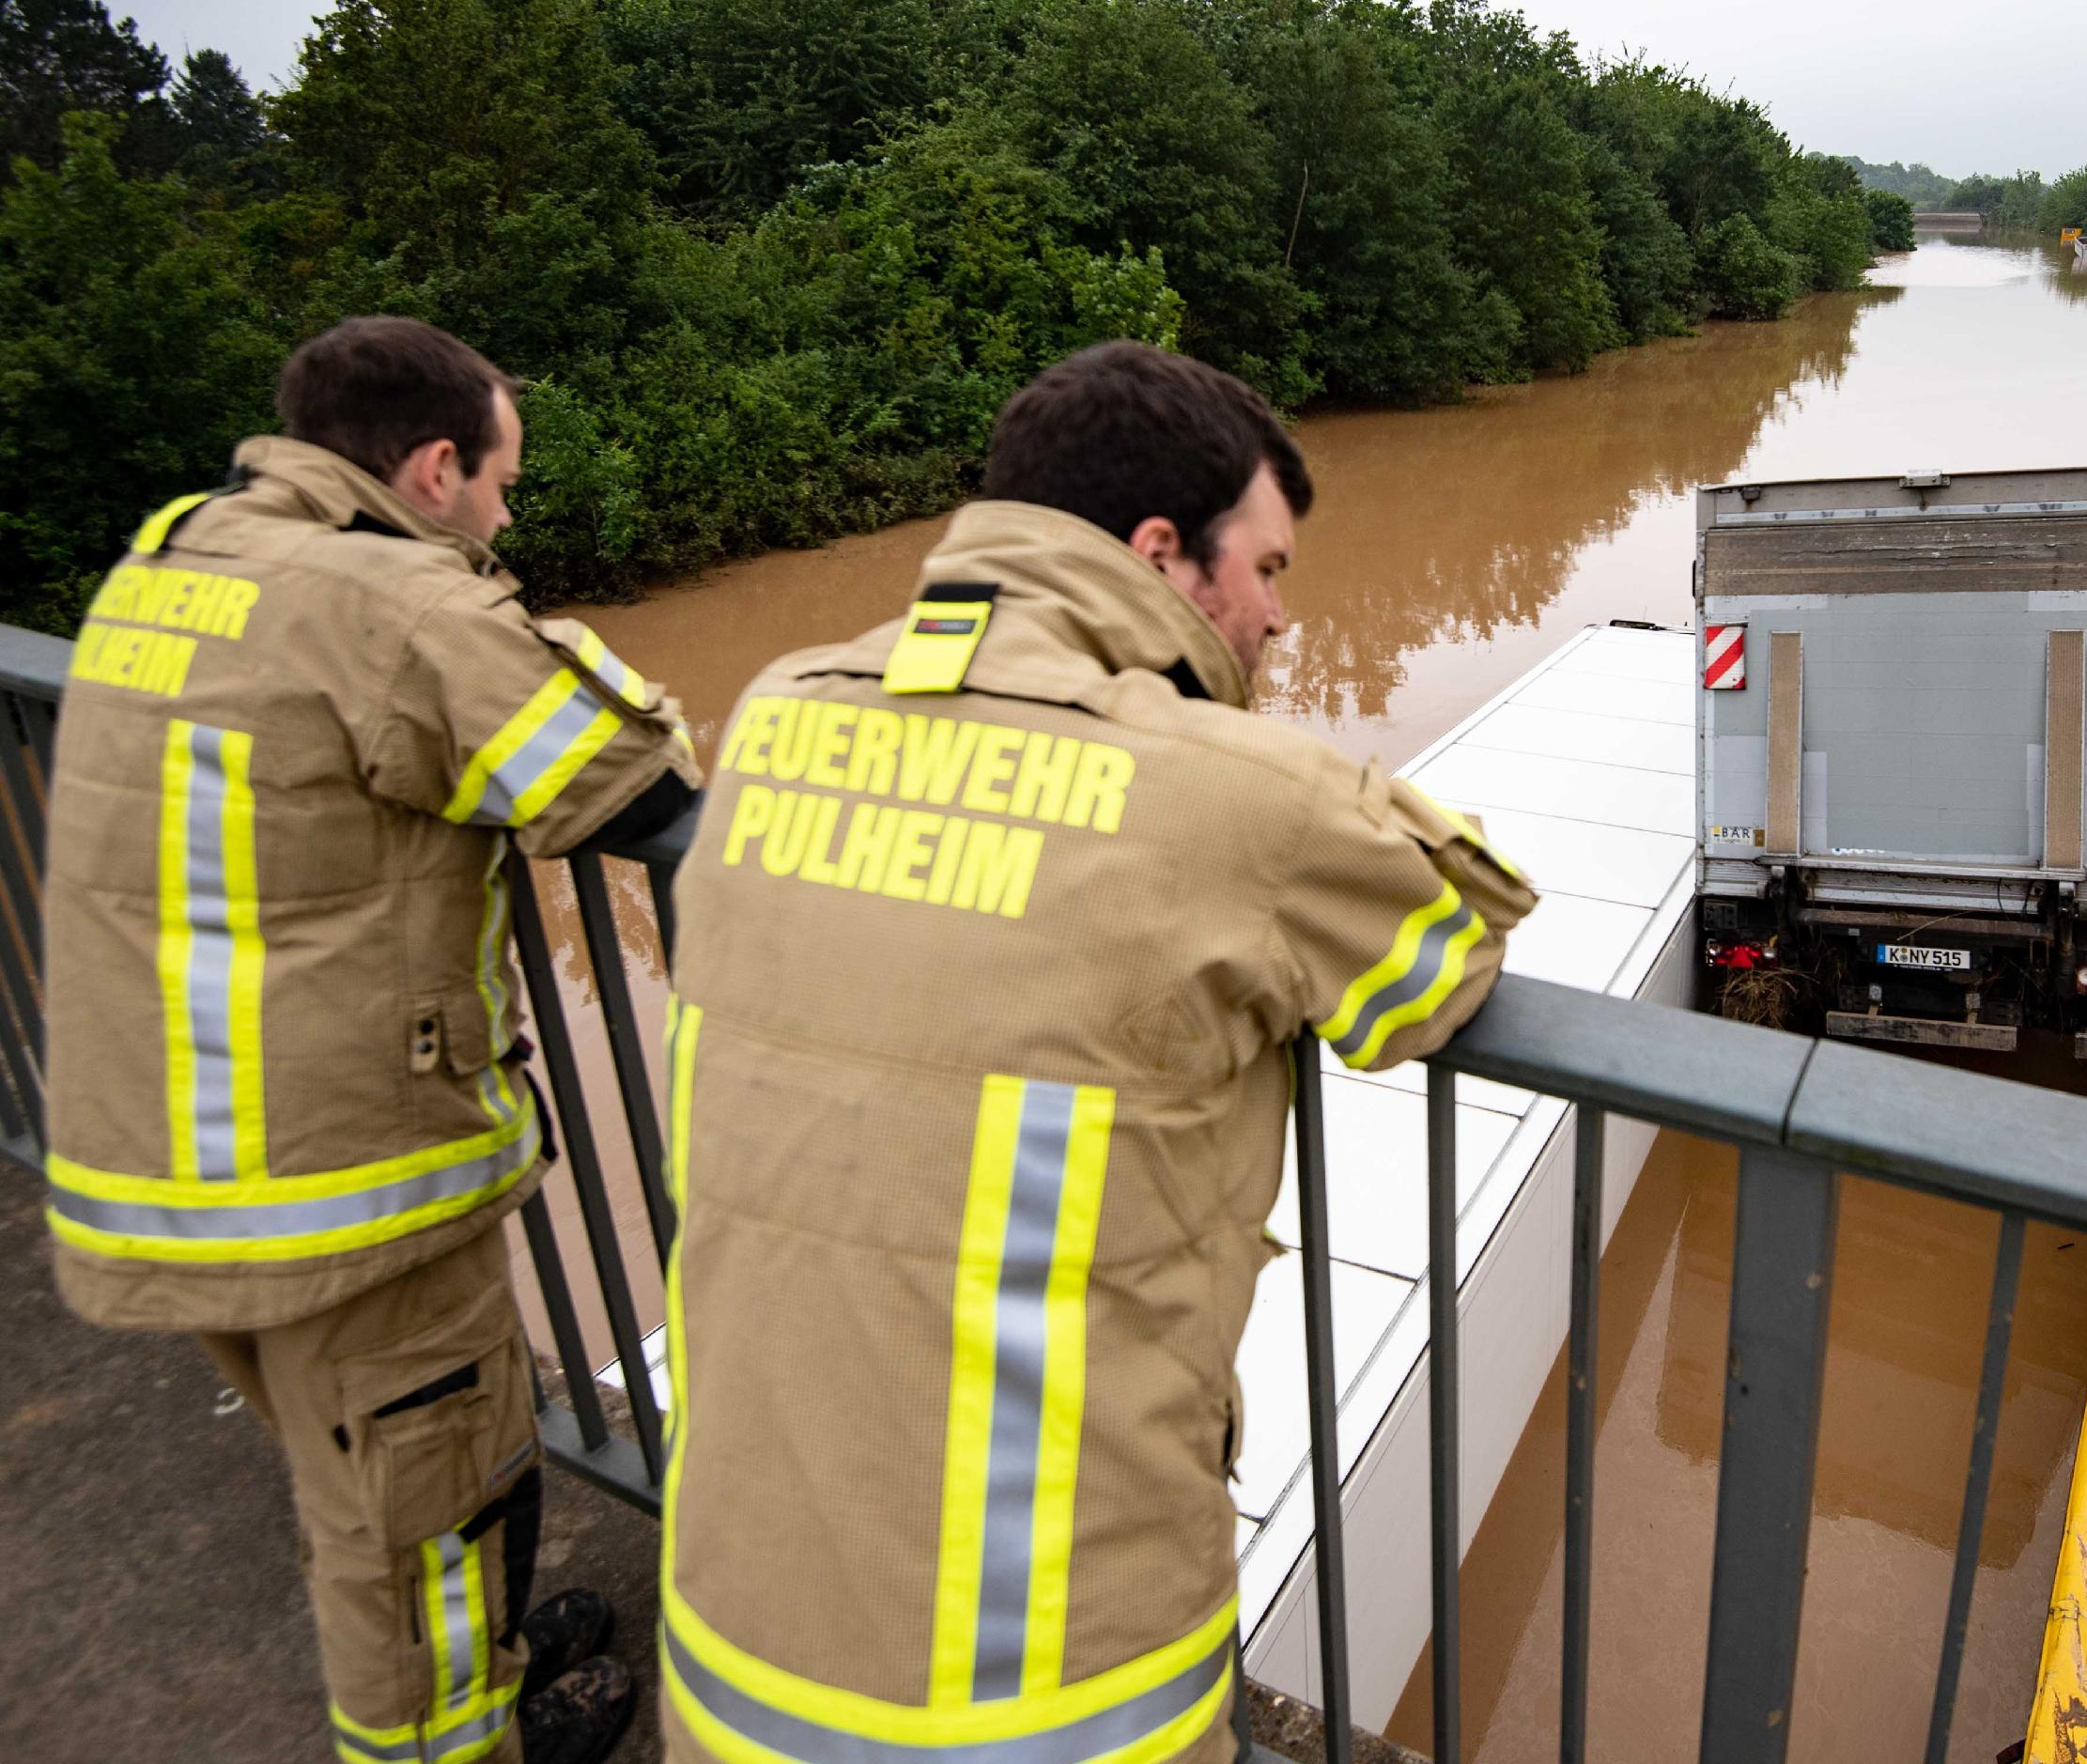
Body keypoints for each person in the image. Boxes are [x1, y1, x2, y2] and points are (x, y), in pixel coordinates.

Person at [656, 341, 1538, 1763]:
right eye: (1269, 571)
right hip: (1055, 1699)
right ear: (1161, 557)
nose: (1278, 619)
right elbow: (1447, 958)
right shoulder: (1241, 800)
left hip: (727, 1658)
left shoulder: (775, 710)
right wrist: (1302, 782)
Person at [43, 317, 701, 1764]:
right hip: (338, 1194)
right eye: (503, 484)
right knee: (430, 1533)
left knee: (364, 1492)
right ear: (433, 467)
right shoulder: (398, 604)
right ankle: (455, 1739)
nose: (508, 516)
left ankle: (488, 1673)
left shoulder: (176, 556)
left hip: (152, 1156)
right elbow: (634, 783)